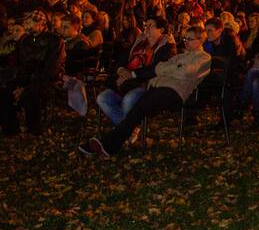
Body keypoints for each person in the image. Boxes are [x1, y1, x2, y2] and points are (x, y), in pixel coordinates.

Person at [79, 25, 211, 157]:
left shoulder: (204, 58)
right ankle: (109, 144)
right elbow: (159, 67)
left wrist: (170, 68)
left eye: (189, 39)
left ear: (200, 40)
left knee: (138, 110)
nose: (185, 42)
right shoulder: (179, 57)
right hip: (157, 88)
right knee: (136, 111)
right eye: (184, 38)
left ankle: (108, 144)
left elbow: (185, 73)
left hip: (174, 92)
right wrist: (174, 68)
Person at [96, 17, 176, 126]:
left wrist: (132, 74)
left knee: (128, 100)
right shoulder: (140, 43)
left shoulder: (167, 47)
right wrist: (121, 70)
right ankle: (128, 129)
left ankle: (124, 131)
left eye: (150, 26)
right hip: (126, 83)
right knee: (102, 98)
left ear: (161, 30)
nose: (146, 29)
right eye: (145, 25)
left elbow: (157, 69)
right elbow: (123, 58)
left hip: (147, 84)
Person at [0, 11, 64, 136]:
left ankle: (35, 130)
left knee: (31, 95)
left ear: (40, 24)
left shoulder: (55, 41)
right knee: (4, 92)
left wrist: (26, 88)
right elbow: (18, 64)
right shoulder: (25, 40)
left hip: (47, 80)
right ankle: (11, 130)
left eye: (28, 22)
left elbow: (51, 70)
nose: (25, 25)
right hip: (26, 78)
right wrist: (16, 82)